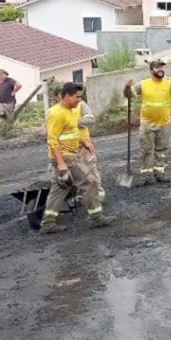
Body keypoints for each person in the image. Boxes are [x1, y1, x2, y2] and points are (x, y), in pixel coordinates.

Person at [42, 82, 114, 233]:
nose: (79, 100)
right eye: (77, 97)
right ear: (67, 95)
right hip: (66, 157)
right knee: (90, 182)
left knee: (60, 188)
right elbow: (52, 140)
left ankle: (48, 222)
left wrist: (83, 142)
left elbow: (71, 132)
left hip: (69, 155)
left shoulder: (70, 110)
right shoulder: (56, 113)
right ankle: (96, 217)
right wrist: (61, 163)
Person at [123, 60, 171, 186]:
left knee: (161, 150)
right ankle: (146, 176)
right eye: (157, 67)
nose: (160, 69)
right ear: (151, 70)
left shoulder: (169, 84)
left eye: (162, 67)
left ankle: (159, 173)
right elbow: (128, 95)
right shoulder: (143, 84)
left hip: (164, 124)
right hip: (147, 124)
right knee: (147, 150)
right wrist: (126, 87)